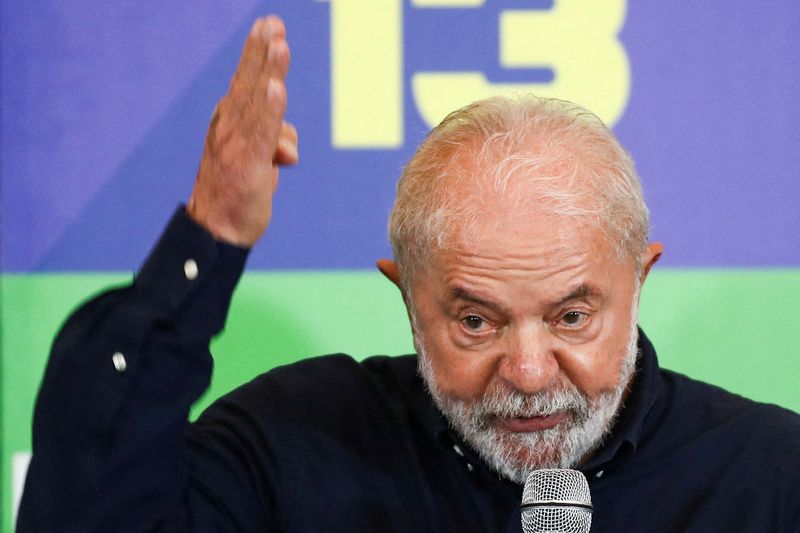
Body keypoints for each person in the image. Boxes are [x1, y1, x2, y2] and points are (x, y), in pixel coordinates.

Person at [18, 14, 800, 533]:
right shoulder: (299, 445)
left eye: (571, 316)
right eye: (475, 321)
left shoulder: (768, 475)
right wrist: (209, 237)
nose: (529, 374)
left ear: (640, 279)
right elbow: (88, 510)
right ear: (405, 294)